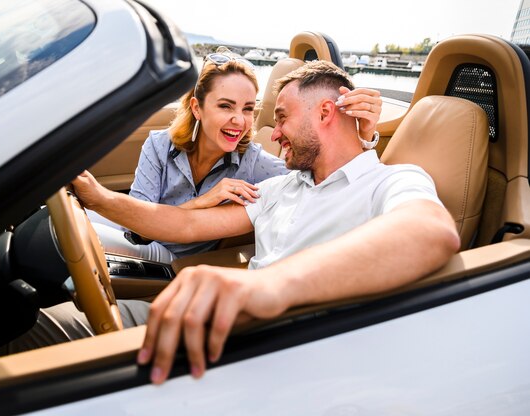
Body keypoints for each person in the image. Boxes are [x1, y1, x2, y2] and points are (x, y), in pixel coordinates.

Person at [68, 60, 460, 384]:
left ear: (325, 113)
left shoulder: (392, 180)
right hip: (220, 324)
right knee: (60, 322)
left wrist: (268, 285)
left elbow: (432, 230)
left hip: (275, 352)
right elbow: (183, 227)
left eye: (281, 118)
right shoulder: (280, 186)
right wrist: (96, 197)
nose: (273, 133)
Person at [88, 49, 383, 263]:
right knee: (65, 218)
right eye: (226, 106)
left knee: (69, 233)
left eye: (247, 109)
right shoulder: (159, 145)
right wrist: (203, 202)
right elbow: (138, 225)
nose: (239, 121)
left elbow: (324, 178)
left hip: (165, 258)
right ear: (196, 108)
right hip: (138, 235)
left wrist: (363, 139)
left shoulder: (261, 168)